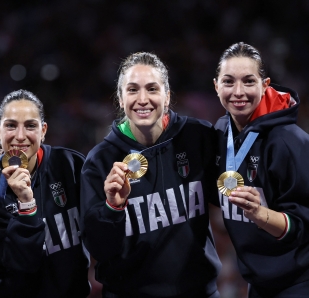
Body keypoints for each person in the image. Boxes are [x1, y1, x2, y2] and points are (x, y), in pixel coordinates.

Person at [213, 42, 309, 297]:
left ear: (265, 85)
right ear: (216, 85)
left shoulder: (291, 142)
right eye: (229, 81)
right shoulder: (221, 134)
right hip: (263, 281)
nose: (238, 91)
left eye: (249, 81)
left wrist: (260, 214)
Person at [80, 52, 221, 297]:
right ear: (120, 99)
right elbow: (99, 249)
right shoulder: (100, 161)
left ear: (167, 96)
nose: (142, 99)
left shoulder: (197, 137)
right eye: (133, 90)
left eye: (152, 89)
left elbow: (227, 199)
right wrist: (112, 207)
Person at [0, 89, 90, 298]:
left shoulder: (70, 165)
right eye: (11, 125)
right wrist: (27, 205)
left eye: (30, 126)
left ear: (43, 130)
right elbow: (22, 262)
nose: (20, 136)